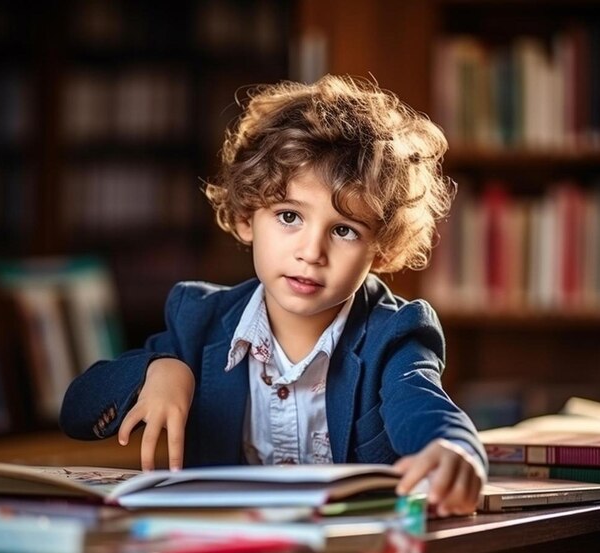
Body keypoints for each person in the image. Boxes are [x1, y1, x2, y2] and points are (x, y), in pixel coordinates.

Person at [59, 74, 487, 517]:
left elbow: (421, 403)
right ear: (246, 217)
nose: (311, 252)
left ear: (381, 249)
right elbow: (76, 410)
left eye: (344, 230)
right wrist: (154, 370)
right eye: (288, 217)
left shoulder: (395, 334)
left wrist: (455, 450)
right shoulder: (199, 321)